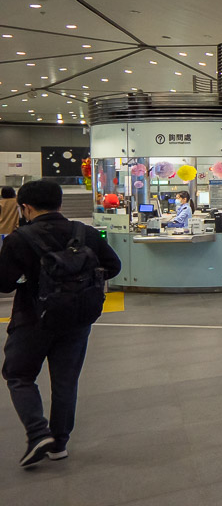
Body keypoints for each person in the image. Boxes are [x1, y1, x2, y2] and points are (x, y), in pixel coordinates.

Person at [0, 179, 121, 467]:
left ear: (25, 208)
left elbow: (3, 284)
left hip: (32, 319)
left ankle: (38, 432)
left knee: (19, 375)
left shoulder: (20, 238)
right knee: (66, 381)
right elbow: (113, 266)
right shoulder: (86, 233)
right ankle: (60, 444)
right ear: (60, 203)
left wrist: (29, 280)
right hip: (77, 320)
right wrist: (79, 284)